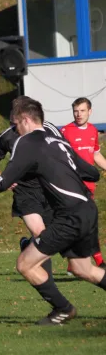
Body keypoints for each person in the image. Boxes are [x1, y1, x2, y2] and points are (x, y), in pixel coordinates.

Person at [0, 96, 106, 325]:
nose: (15, 129)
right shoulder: (59, 141)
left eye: (16, 124)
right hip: (87, 209)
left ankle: (63, 309)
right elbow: (92, 173)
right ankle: (63, 306)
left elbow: (4, 182)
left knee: (25, 264)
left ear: (25, 120)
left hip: (70, 216)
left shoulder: (27, 143)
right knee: (82, 268)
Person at [0, 115, 63, 278]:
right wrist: (4, 180)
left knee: (51, 236)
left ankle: (27, 245)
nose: (14, 126)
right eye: (12, 122)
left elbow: (63, 151)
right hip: (25, 192)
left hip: (49, 189)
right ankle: (47, 279)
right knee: (40, 233)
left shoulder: (48, 128)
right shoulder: (7, 136)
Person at [61, 97, 106, 268]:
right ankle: (99, 262)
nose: (78, 114)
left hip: (89, 187)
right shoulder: (66, 131)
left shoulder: (93, 131)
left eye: (82, 111)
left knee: (85, 224)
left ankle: (75, 263)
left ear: (90, 111)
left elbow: (95, 155)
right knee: (83, 223)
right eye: (76, 111)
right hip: (72, 186)